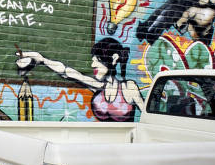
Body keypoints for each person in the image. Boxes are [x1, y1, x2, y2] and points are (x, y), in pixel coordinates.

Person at [16, 38, 145, 122]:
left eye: (97, 61)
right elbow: (67, 72)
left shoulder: (129, 88)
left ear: (114, 58)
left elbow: (147, 116)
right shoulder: (98, 87)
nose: (92, 65)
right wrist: (43, 60)